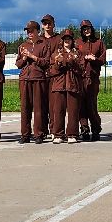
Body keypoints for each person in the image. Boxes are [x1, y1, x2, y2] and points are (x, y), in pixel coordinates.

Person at [15, 20, 48, 144]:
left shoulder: (43, 44)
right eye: (27, 31)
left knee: (38, 107)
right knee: (25, 108)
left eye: (31, 30)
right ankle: (25, 134)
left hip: (38, 78)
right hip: (25, 79)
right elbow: (18, 64)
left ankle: (38, 134)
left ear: (37, 31)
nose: (29, 33)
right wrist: (24, 57)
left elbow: (46, 62)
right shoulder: (23, 45)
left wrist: (33, 57)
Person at [76, 20, 106, 141]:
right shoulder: (77, 43)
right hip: (80, 78)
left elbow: (103, 59)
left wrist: (95, 59)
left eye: (88, 28)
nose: (86, 31)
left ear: (91, 29)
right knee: (81, 105)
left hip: (92, 78)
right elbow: (74, 57)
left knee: (91, 105)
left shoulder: (98, 43)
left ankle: (95, 129)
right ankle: (84, 129)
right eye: (84, 29)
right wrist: (84, 58)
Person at [39, 15, 66, 143]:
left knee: (54, 105)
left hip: (55, 75)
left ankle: (55, 130)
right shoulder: (39, 39)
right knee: (41, 104)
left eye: (49, 23)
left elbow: (61, 54)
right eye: (45, 23)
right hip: (40, 75)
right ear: (42, 25)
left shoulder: (59, 39)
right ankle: (42, 130)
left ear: (54, 24)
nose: (47, 25)